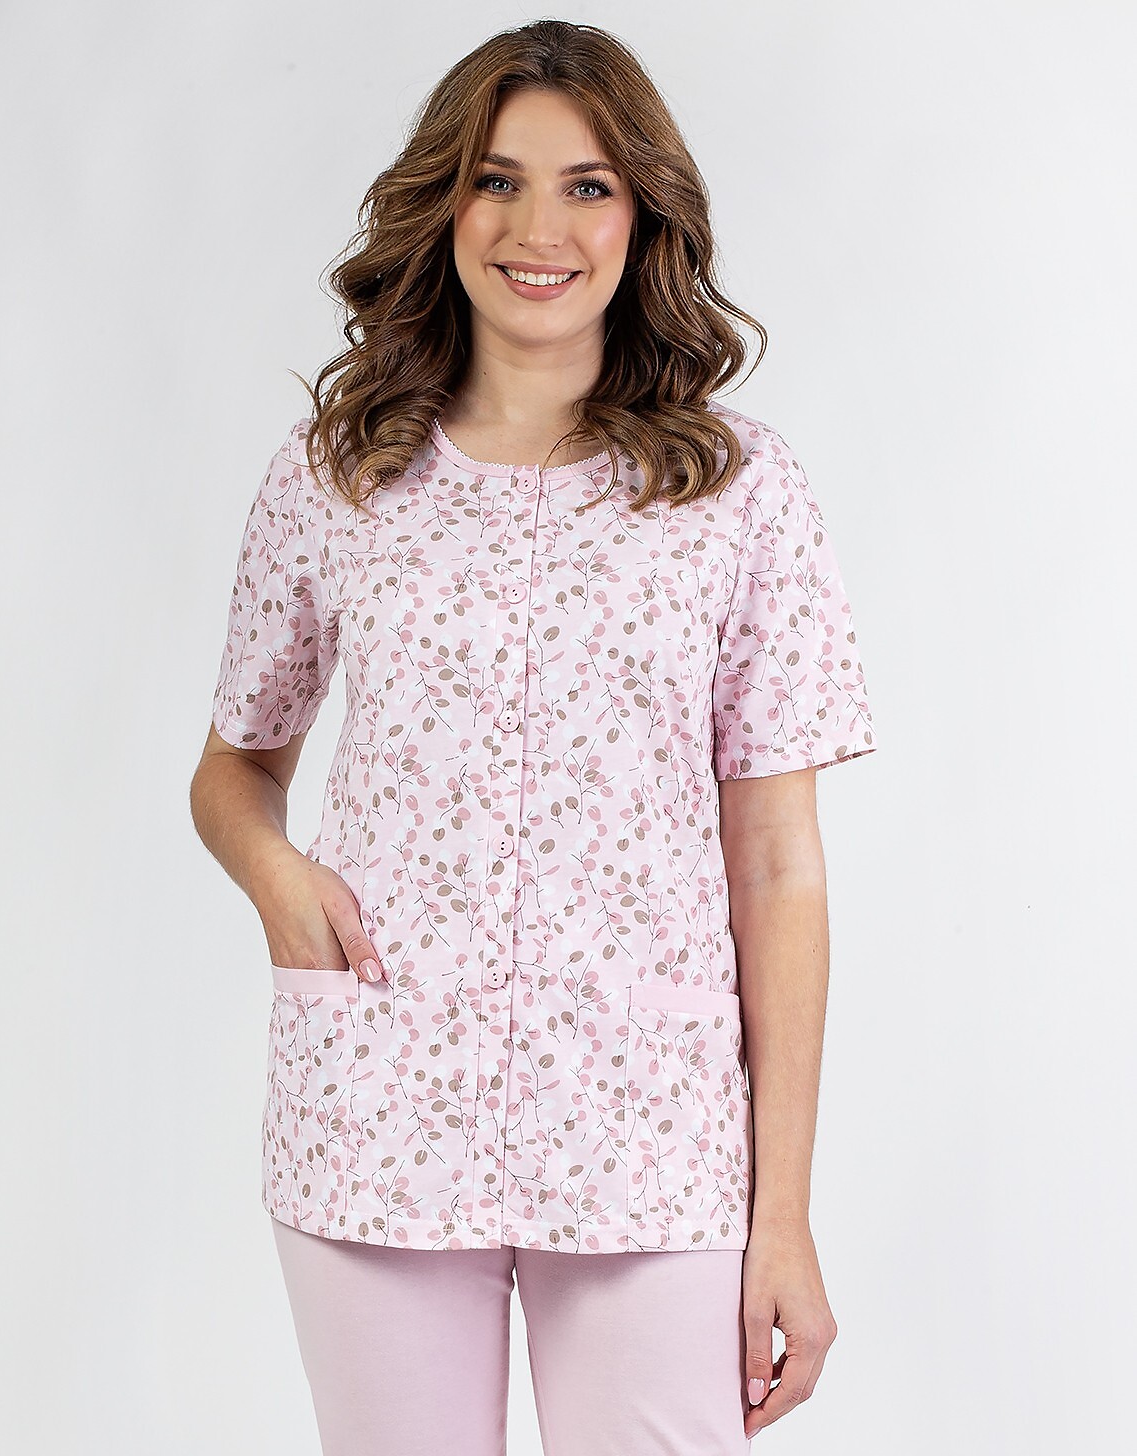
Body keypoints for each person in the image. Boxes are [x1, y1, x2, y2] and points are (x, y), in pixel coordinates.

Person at [190, 19, 879, 1456]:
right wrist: (277, 880)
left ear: (645, 217)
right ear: (445, 204)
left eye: (588, 186)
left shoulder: (741, 493)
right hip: (379, 1108)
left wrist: (786, 1215)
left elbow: (779, 867)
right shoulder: (335, 477)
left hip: (651, 1130)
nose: (537, 228)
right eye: (497, 181)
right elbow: (236, 765)